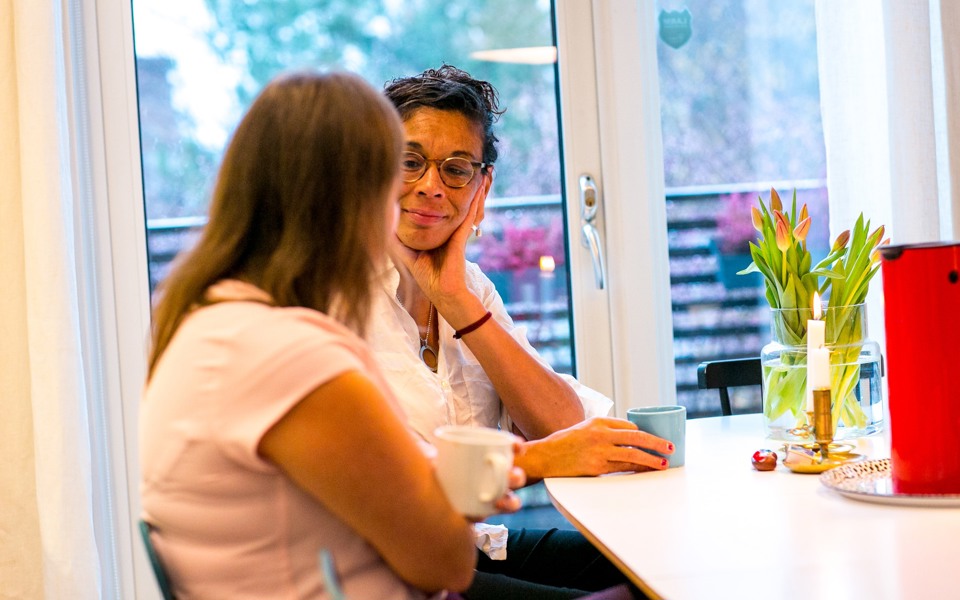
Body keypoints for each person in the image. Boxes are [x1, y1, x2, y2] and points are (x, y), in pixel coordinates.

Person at [139, 71, 523, 599]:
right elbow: (448, 563)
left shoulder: (213, 320)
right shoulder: (291, 356)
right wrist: (465, 485)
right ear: (353, 203)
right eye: (397, 179)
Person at [369, 65, 674, 599]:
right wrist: (541, 459)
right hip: (391, 570)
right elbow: (386, 488)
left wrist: (457, 303)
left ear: (481, 187)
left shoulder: (470, 286)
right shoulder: (337, 295)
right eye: (410, 163)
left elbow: (560, 424)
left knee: (662, 564)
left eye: (457, 170)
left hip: (474, 544)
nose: (431, 187)